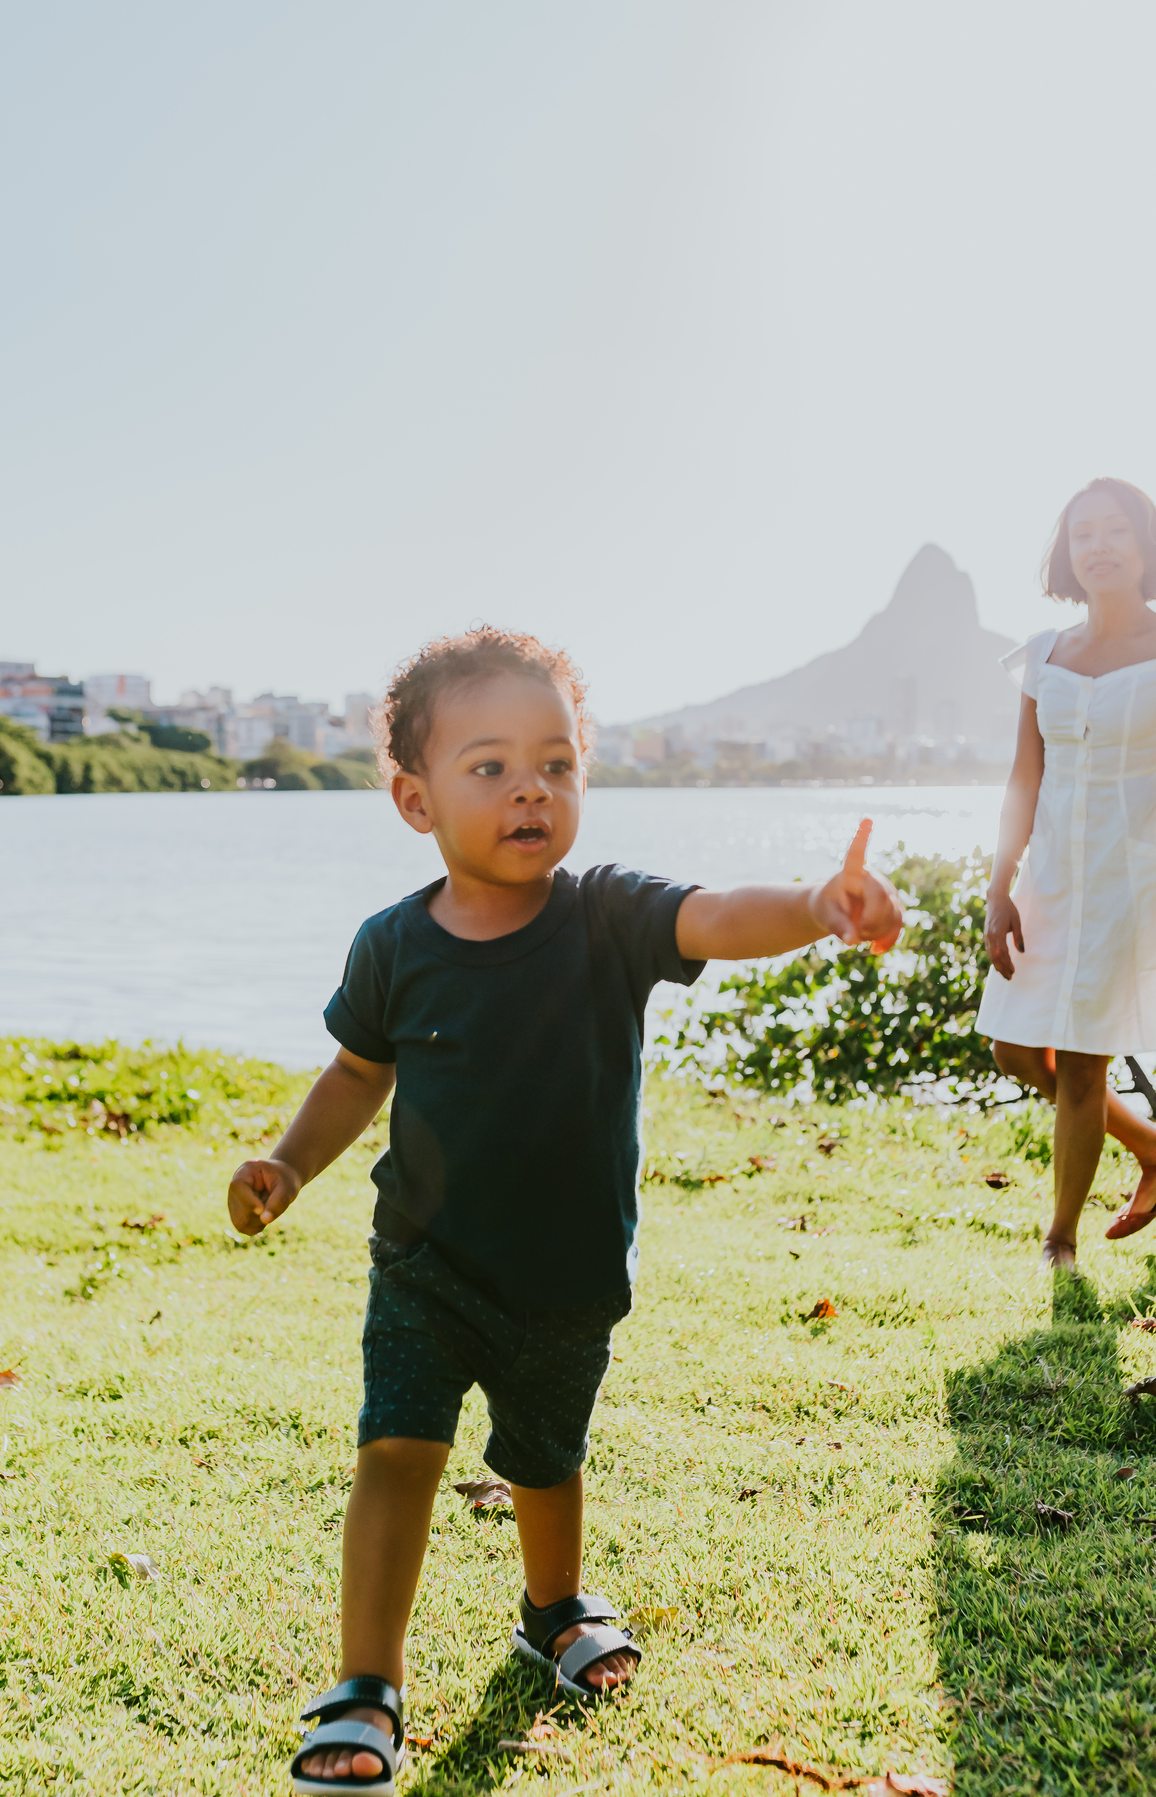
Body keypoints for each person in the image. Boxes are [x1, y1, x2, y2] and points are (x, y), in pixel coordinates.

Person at [227, 627, 902, 1794]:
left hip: (568, 1269)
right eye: (488, 765)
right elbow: (355, 1075)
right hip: (425, 1262)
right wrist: (287, 1166)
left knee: (545, 1459)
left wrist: (813, 901)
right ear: (412, 797)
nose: (530, 786)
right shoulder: (393, 946)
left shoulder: (606, 915)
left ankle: (551, 1610)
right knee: (398, 1450)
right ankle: (367, 1682)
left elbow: (716, 918)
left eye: (557, 763)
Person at [978, 476, 1156, 1270]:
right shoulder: (1043, 654)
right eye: (1084, 533)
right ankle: (1153, 1146)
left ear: (1143, 544)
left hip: (1132, 885)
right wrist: (998, 886)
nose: (1099, 545)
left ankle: (1060, 1241)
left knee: (1083, 1062)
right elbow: (1024, 780)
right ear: (1067, 552)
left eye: (1116, 529)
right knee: (1014, 1050)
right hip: (1048, 881)